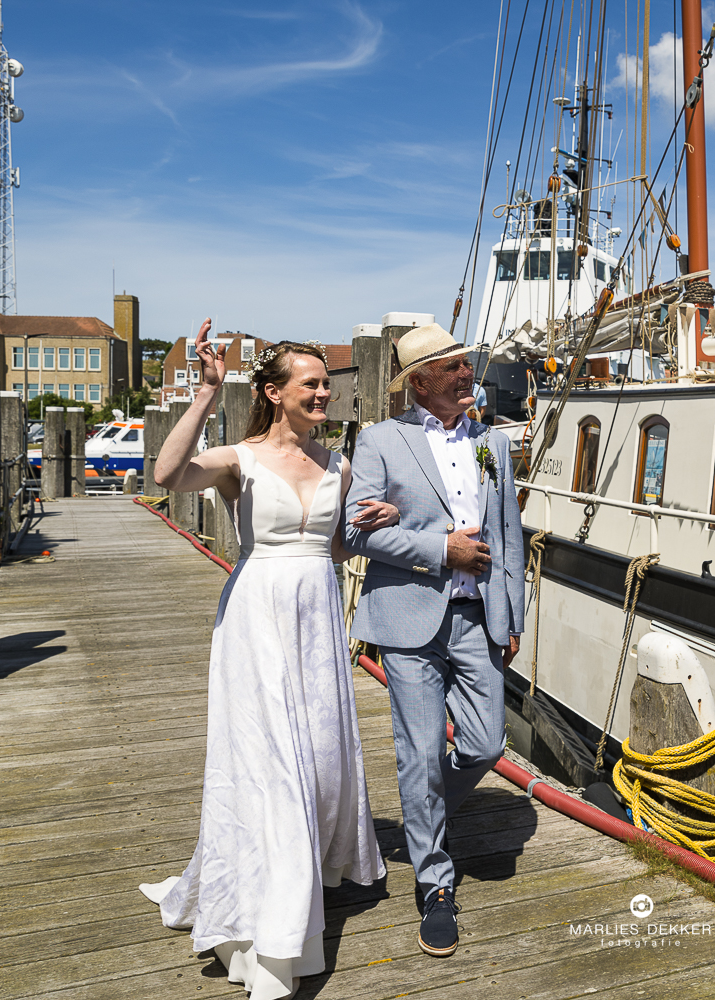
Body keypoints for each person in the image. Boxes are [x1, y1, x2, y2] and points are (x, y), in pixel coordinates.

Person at [141, 321, 390, 1000]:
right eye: (312, 384)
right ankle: (276, 944)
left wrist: (380, 524)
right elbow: (166, 475)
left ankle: (296, 886)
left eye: (326, 385)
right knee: (270, 765)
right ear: (275, 393)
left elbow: (335, 547)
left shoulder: (339, 463)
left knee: (317, 760)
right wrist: (204, 393)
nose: (324, 394)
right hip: (255, 618)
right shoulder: (241, 458)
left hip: (316, 618)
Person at [341, 323, 524, 959]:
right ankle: (434, 883)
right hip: (410, 618)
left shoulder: (493, 443)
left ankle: (424, 805)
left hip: (479, 618)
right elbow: (355, 532)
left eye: (467, 364)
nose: (468, 374)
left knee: (486, 741)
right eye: (453, 367)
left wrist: (515, 614)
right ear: (420, 381)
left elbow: (509, 534)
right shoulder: (380, 442)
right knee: (419, 753)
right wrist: (438, 550)